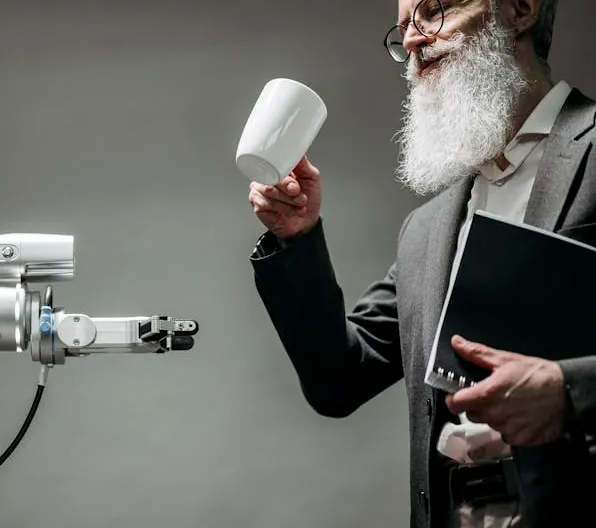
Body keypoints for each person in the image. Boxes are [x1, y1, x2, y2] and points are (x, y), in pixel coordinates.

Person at [247, 0, 596, 526]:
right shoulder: (427, 229)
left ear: (521, 9)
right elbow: (337, 380)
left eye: (433, 11)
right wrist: (298, 238)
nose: (412, 40)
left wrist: (572, 392)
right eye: (404, 25)